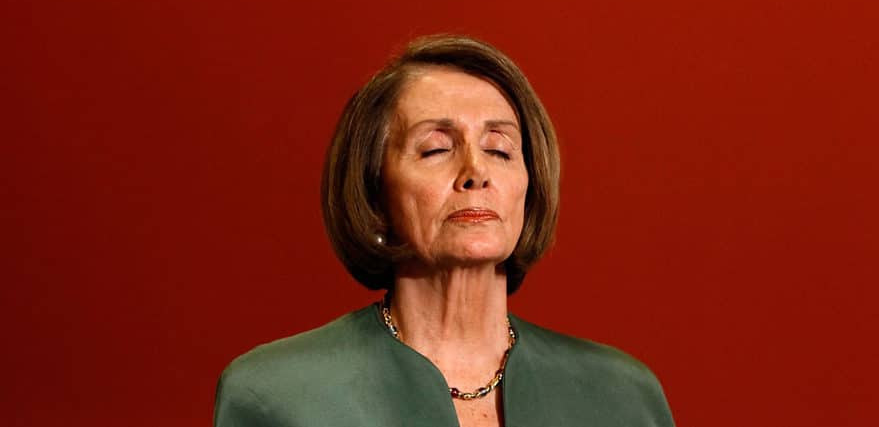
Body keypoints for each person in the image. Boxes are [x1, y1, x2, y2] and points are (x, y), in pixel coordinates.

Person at [214, 35, 675, 427]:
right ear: (375, 190)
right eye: (435, 149)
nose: (476, 173)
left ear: (530, 185)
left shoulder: (624, 397)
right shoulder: (276, 396)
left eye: (499, 150)